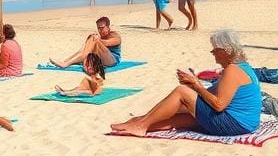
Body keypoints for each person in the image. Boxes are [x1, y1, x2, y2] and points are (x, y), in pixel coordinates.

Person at [110, 29, 260, 137]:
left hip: (234, 123)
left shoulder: (232, 70)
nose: (212, 53)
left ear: (227, 51)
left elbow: (219, 105)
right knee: (180, 118)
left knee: (181, 92)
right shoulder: (242, 67)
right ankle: (139, 122)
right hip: (244, 123)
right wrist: (194, 84)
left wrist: (195, 86)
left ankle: (141, 125)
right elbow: (215, 94)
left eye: (215, 49)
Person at [49, 16, 122, 68]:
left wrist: (96, 39)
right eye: (98, 28)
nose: (100, 31)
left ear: (108, 27)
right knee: (90, 39)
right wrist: (90, 38)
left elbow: (106, 43)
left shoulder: (116, 36)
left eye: (102, 28)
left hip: (113, 60)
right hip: (101, 59)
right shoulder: (99, 37)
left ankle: (66, 64)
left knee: (94, 38)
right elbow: (82, 50)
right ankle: (65, 61)